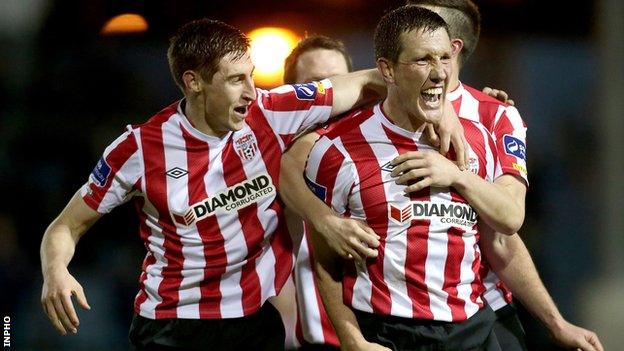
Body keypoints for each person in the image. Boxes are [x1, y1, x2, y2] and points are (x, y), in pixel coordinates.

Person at [39, 18, 394, 351]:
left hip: (254, 321)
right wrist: (56, 271)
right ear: (194, 82)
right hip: (172, 326)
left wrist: (448, 115)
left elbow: (366, 80)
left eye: (252, 76)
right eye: (236, 80)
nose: (252, 92)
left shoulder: (271, 112)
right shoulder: (139, 149)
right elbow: (65, 227)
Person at [305, 6, 513, 350]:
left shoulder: (478, 137)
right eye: (423, 60)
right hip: (391, 333)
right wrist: (352, 339)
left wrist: (458, 177)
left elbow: (507, 225)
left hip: (472, 329)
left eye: (445, 58)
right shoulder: (337, 150)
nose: (439, 73)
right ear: (387, 70)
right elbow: (325, 259)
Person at [401, 1, 603, 350]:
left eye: (413, 23)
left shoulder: (494, 117)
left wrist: (556, 323)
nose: (396, 29)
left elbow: (506, 226)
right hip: (393, 321)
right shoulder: (372, 110)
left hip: (481, 313)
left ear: (450, 49)